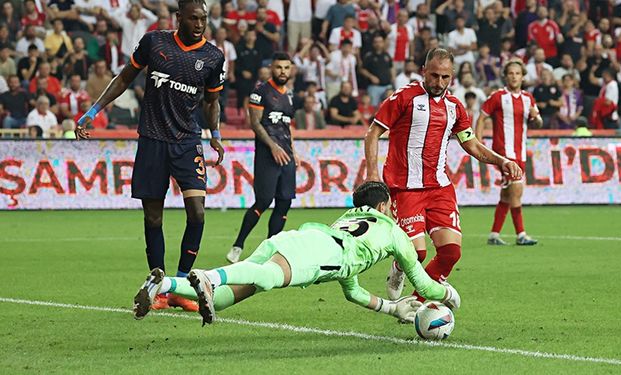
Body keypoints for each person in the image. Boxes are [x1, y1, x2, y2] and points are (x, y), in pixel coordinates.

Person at [133, 181, 461, 325]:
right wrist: (447, 293)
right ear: (382, 206)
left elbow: (352, 290)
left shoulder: (348, 220)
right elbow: (426, 284)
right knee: (269, 278)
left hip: (299, 238)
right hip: (318, 252)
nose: (392, 210)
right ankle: (207, 276)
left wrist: (391, 308)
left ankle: (164, 286)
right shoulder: (393, 232)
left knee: (223, 299)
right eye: (389, 205)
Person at [75, 0, 225, 312]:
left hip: (187, 141)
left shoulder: (213, 56)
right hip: (153, 141)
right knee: (153, 217)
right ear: (179, 17)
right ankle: (157, 287)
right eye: (194, 18)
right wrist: (92, 111)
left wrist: (216, 135)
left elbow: (212, 101)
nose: (200, 24)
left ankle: (181, 286)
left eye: (204, 18)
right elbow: (124, 77)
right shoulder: (155, 42)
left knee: (197, 213)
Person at [364, 48, 524, 300]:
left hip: (439, 187)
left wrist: (501, 160)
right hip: (405, 187)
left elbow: (470, 143)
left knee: (450, 253)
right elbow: (373, 132)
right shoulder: (404, 97)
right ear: (424, 71)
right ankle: (399, 265)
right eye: (434, 76)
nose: (439, 83)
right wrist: (372, 174)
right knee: (417, 254)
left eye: (445, 77)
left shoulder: (455, 107)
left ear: (452, 77)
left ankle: (417, 302)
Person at [227, 52, 297, 264]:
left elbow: (286, 126)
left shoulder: (290, 95)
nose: (282, 71)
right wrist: (273, 147)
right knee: (264, 201)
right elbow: (255, 123)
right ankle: (238, 245)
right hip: (268, 155)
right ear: (271, 68)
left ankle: (269, 248)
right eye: (279, 67)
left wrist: (294, 150)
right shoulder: (260, 92)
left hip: (287, 156)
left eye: (286, 68)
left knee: (284, 203)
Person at [476, 59, 542, 246]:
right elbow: (481, 118)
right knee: (516, 191)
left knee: (507, 194)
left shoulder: (528, 98)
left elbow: (538, 123)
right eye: (511, 73)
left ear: (522, 76)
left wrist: (535, 116)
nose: (514, 76)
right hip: (504, 154)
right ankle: (521, 234)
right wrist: (479, 144)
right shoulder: (498, 96)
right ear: (505, 76)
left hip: (520, 152)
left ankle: (494, 235)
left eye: (517, 73)